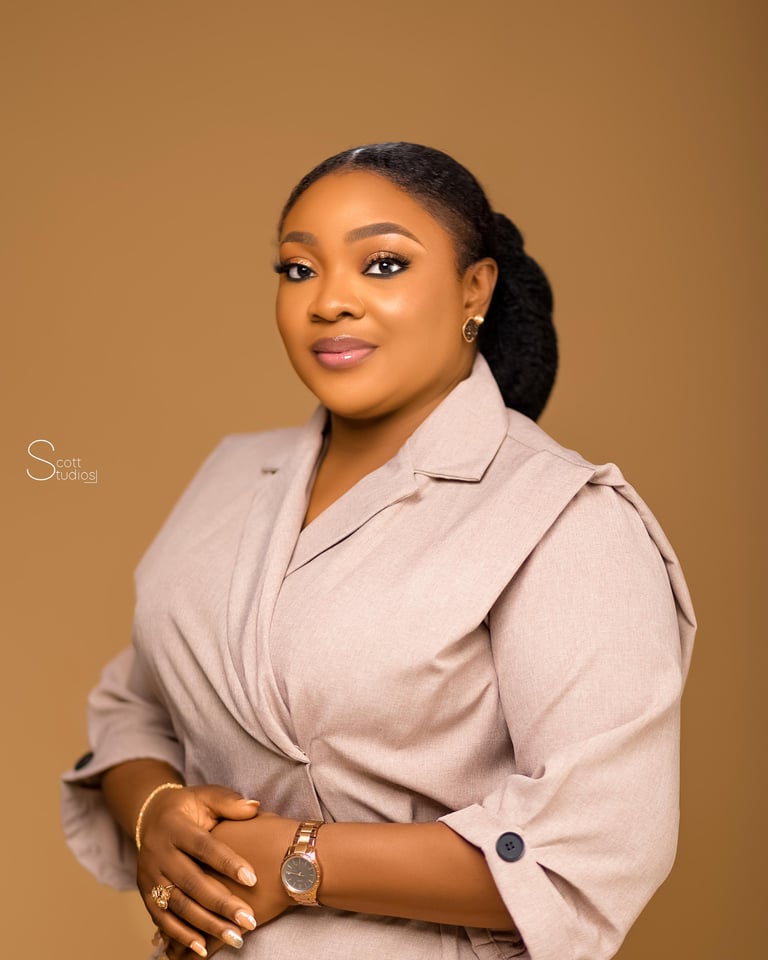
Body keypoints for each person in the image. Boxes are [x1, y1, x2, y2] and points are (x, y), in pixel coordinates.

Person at [61, 142, 695, 960]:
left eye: (384, 264)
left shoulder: (564, 518)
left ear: (477, 288)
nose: (330, 302)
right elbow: (135, 705)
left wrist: (299, 860)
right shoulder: (228, 475)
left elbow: (593, 846)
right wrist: (156, 817)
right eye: (298, 270)